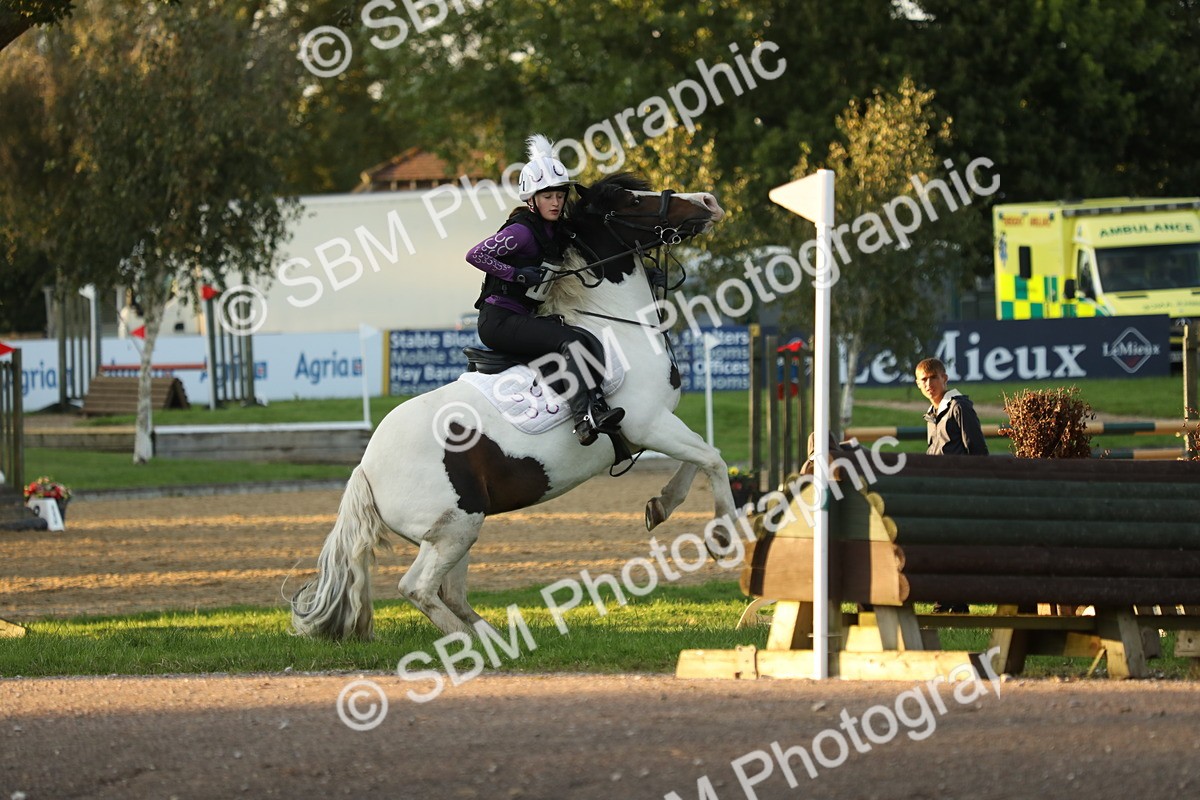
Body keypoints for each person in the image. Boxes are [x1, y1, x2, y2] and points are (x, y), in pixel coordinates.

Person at [465, 133, 624, 446]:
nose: (556, 202)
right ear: (532, 199)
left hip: (519, 318)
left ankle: (594, 405)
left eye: (560, 195)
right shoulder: (521, 231)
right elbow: (476, 254)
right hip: (499, 321)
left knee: (578, 336)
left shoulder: (554, 230)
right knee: (568, 340)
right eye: (548, 196)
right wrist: (517, 275)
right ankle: (583, 418)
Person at [915, 357, 989, 456]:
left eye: (933, 377)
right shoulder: (931, 414)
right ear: (918, 384)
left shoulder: (959, 407)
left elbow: (978, 450)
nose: (929, 384)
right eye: (924, 379)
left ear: (944, 378)